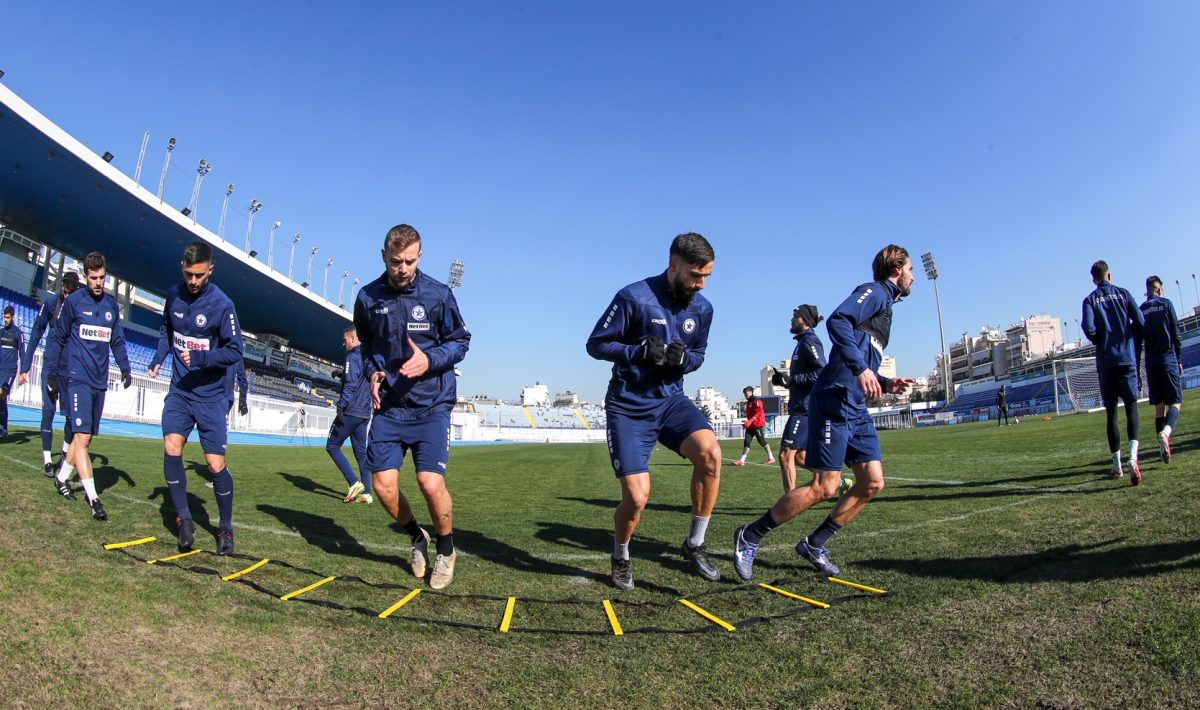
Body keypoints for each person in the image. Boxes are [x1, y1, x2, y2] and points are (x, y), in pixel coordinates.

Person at [733, 245, 915, 580]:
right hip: (833, 399)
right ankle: (750, 535)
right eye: (911, 270)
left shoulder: (886, 308)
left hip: (855, 405)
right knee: (825, 486)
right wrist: (862, 369)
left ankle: (815, 544)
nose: (913, 277)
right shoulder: (874, 292)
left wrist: (885, 382)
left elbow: (858, 359)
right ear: (897, 268)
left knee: (872, 483)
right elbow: (837, 320)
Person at [586, 232, 724, 591]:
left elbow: (699, 356)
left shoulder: (703, 309)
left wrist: (685, 359)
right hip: (629, 405)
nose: (701, 283)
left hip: (671, 401)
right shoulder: (634, 297)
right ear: (673, 265)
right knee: (636, 497)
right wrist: (638, 352)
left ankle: (695, 543)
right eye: (696, 275)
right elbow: (596, 344)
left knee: (711, 454)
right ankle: (620, 554)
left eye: (707, 275)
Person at [354, 224, 470, 590]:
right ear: (383, 257)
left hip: (431, 404)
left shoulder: (438, 294)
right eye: (395, 261)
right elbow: (366, 342)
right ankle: (417, 536)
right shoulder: (368, 297)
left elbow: (460, 341)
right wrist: (373, 371)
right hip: (389, 405)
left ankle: (446, 550)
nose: (402, 268)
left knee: (429, 482)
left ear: (419, 256)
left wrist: (430, 359)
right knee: (383, 486)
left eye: (408, 261)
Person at [148, 242, 245, 553]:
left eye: (199, 275)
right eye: (189, 274)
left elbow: (235, 351)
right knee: (171, 445)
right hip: (180, 390)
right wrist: (158, 358)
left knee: (215, 464)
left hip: (211, 396)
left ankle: (226, 528)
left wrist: (202, 359)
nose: (193, 281)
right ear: (182, 268)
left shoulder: (222, 305)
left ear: (210, 270)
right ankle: (184, 519)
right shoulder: (173, 295)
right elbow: (167, 329)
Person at [45, 252, 132, 521]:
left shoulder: (110, 306)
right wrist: (51, 372)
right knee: (81, 438)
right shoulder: (73, 302)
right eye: (93, 278)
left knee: (86, 437)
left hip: (99, 380)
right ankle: (93, 499)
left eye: (102, 278)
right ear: (85, 276)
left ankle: (62, 478)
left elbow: (117, 340)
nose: (98, 282)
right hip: (77, 377)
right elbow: (58, 338)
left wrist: (125, 367)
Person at [1081, 260, 1145, 484]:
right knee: (1131, 408)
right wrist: (1129, 337)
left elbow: (1088, 327)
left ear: (1094, 279)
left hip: (1106, 362)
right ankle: (1134, 457)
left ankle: (1117, 465)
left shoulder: (1090, 300)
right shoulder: (1124, 293)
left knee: (1111, 414)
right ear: (1109, 275)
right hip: (1126, 359)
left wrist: (1101, 340)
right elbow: (1139, 320)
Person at [20, 272, 81, 473]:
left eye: (70, 291)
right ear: (62, 287)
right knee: (48, 410)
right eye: (65, 290)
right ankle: (47, 459)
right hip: (50, 365)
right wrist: (26, 365)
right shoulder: (51, 303)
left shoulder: (79, 308)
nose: (67, 293)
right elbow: (37, 331)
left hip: (69, 369)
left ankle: (64, 451)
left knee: (71, 417)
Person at [770, 304, 827, 492]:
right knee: (800, 457)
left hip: (805, 409)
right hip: (801, 406)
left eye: (795, 316)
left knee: (785, 455)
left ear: (804, 320)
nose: (791, 319)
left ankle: (788, 504)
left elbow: (821, 372)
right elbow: (802, 378)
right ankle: (834, 479)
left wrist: (792, 379)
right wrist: (784, 381)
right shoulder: (801, 343)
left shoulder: (810, 341)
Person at [1138, 275, 1183, 464]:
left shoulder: (1141, 309)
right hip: (1167, 360)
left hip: (1150, 363)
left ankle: (1162, 449)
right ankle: (1166, 433)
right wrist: (1179, 358)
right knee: (1176, 402)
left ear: (1147, 290)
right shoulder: (1166, 304)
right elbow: (1176, 333)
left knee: (1159, 409)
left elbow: (1138, 340)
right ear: (1160, 289)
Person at [327, 325, 373, 504]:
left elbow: (351, 385)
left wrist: (341, 406)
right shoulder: (367, 356)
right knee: (361, 452)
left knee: (332, 446)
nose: (343, 343)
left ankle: (354, 483)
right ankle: (367, 493)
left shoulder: (352, 356)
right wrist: (342, 375)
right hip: (364, 412)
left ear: (353, 339)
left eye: (345, 340)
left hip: (351, 411)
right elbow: (360, 379)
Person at [0, 304, 26, 438]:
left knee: (0, 393)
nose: (6, 320)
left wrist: (23, 371)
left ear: (13, 317)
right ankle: (3, 429)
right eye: (4, 317)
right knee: (2, 400)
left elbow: (22, 352)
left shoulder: (18, 334)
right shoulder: (1, 332)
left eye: (8, 317)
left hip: (10, 371)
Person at [733, 386, 774, 466]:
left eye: (746, 393)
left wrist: (751, 420)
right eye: (744, 393)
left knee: (762, 441)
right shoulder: (748, 402)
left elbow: (759, 412)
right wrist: (747, 422)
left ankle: (771, 458)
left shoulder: (756, 401)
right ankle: (742, 460)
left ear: (751, 392)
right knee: (747, 442)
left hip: (757, 424)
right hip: (751, 425)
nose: (745, 394)